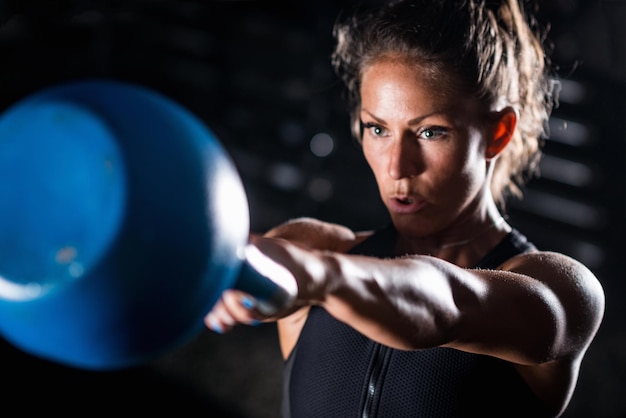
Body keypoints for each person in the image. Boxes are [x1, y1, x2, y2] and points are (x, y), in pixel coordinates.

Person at [204, 0, 605, 416]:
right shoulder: (318, 249)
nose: (397, 166)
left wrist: (318, 276)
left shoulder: (561, 293)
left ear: (497, 132)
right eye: (377, 129)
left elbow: (445, 305)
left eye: (430, 132)